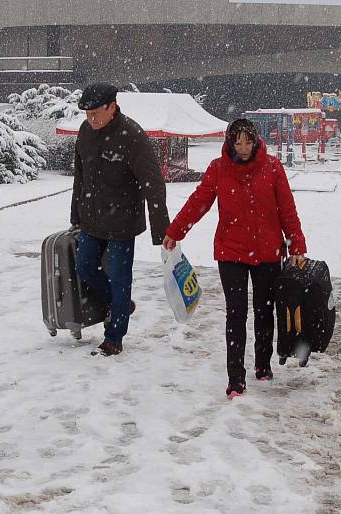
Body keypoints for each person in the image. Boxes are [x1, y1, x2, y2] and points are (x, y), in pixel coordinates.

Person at [162, 119, 307, 399]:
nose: (242, 148)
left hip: (267, 252)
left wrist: (297, 246)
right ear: (229, 142)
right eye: (237, 142)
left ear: (255, 141)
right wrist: (175, 231)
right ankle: (235, 378)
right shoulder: (219, 169)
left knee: (265, 312)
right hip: (231, 253)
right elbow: (199, 202)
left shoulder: (273, 168)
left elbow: (287, 210)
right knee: (236, 314)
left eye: (247, 141)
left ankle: (262, 365)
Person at [71, 83, 170, 356]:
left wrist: (162, 230)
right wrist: (75, 215)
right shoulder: (85, 133)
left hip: (123, 221)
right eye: (87, 114)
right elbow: (79, 175)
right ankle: (121, 305)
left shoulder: (132, 136)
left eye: (96, 113)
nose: (91, 119)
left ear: (112, 107)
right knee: (85, 267)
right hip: (92, 219)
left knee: (120, 279)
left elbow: (153, 183)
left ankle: (114, 337)